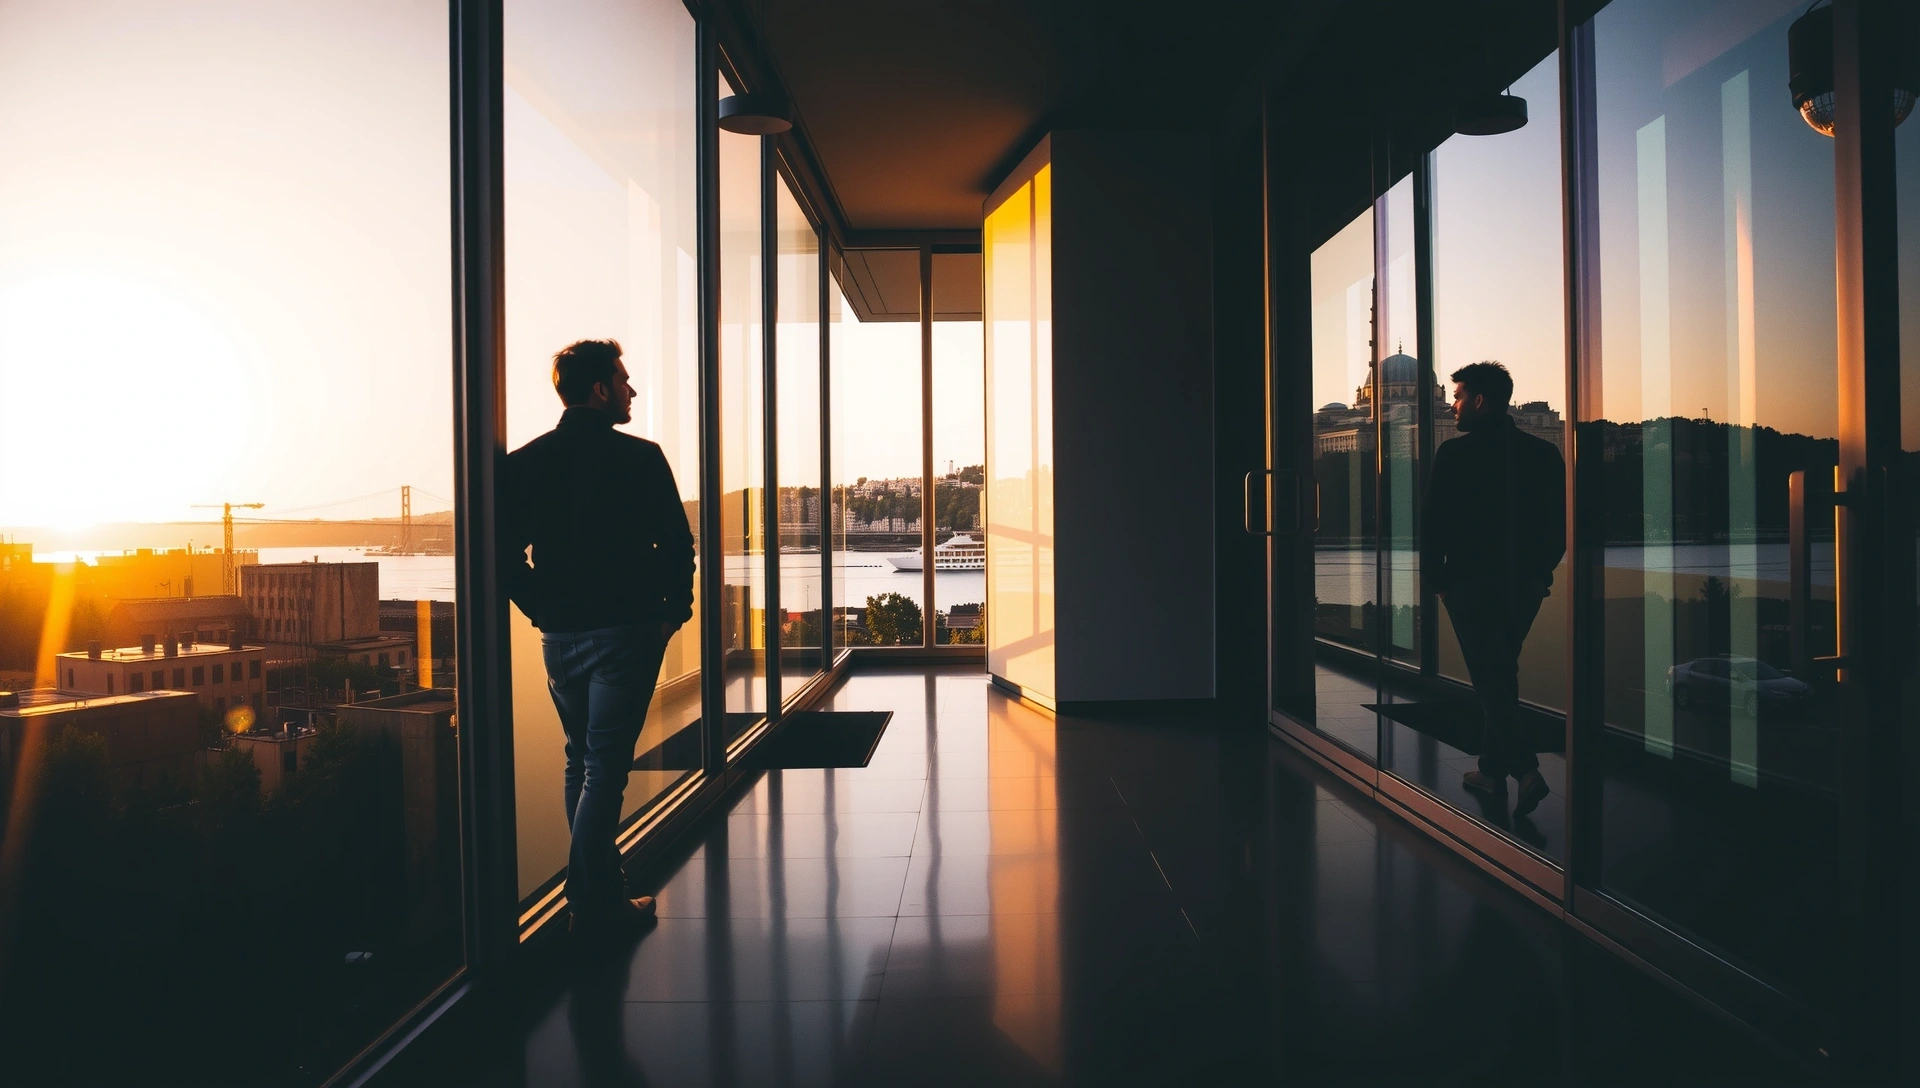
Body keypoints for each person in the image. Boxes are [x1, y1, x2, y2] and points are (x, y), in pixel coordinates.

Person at [502, 338, 695, 935]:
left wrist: (544, 609)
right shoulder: (641, 458)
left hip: (560, 640)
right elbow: (678, 544)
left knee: (581, 760)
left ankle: (601, 894)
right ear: (599, 389)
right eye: (622, 379)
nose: (631, 390)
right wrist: (672, 614)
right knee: (605, 768)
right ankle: (593, 906)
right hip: (627, 632)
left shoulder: (526, 462)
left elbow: (502, 555)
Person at [1421, 361, 1565, 817]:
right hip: (1523, 585)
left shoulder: (1453, 454)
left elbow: (1432, 525)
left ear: (1480, 401)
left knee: (1489, 676)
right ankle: (1490, 768)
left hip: (1468, 585)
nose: (1453, 405)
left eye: (1458, 397)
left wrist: (1439, 582)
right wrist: (1539, 574)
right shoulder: (1544, 454)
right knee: (1501, 670)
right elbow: (1558, 528)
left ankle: (1526, 771)